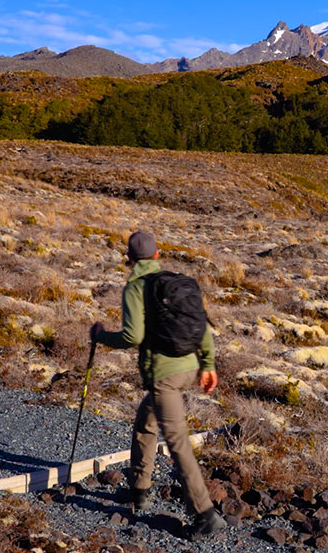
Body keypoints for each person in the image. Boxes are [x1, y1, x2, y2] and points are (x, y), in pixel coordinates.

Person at [90, 230, 226, 541]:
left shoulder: (136, 287)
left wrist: (101, 335)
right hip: (187, 365)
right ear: (156, 254)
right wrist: (208, 365)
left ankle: (205, 514)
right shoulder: (173, 281)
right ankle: (139, 491)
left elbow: (131, 337)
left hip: (164, 375)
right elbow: (202, 324)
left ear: (129, 258)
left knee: (177, 442)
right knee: (145, 423)